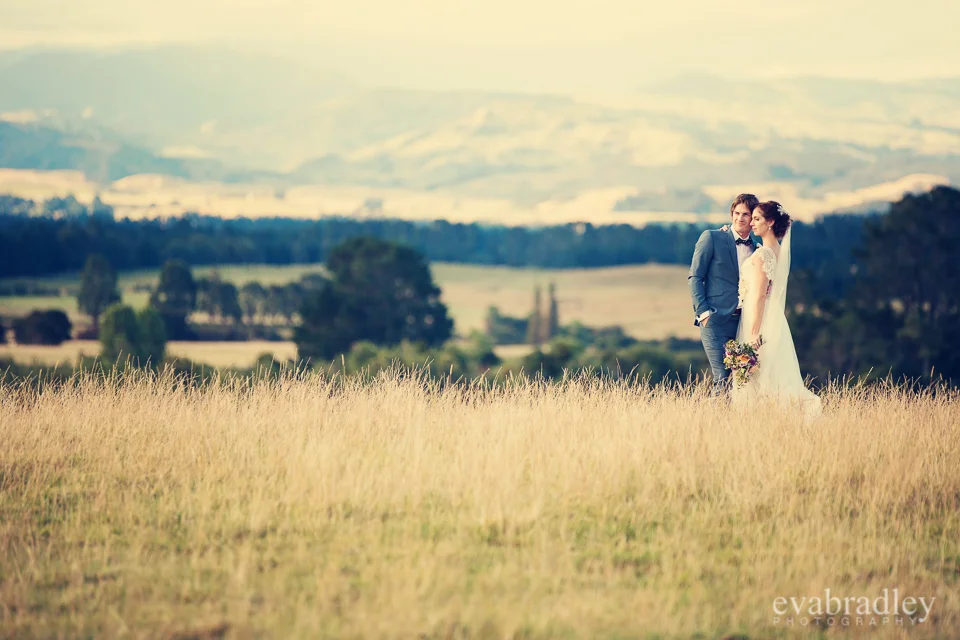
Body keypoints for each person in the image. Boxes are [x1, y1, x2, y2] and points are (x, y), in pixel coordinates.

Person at [733, 201, 821, 421]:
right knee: (771, 372)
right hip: (773, 317)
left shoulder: (764, 255)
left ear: (770, 222)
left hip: (759, 318)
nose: (752, 223)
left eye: (757, 219)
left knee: (758, 375)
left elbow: (760, 294)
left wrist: (753, 332)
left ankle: (759, 419)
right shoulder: (777, 252)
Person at [688, 193, 760, 393]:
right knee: (723, 376)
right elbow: (695, 277)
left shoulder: (758, 249)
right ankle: (715, 421)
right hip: (715, 321)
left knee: (742, 378)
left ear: (754, 218)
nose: (740, 218)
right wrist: (703, 313)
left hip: (743, 322)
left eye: (746, 214)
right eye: (736, 213)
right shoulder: (712, 237)